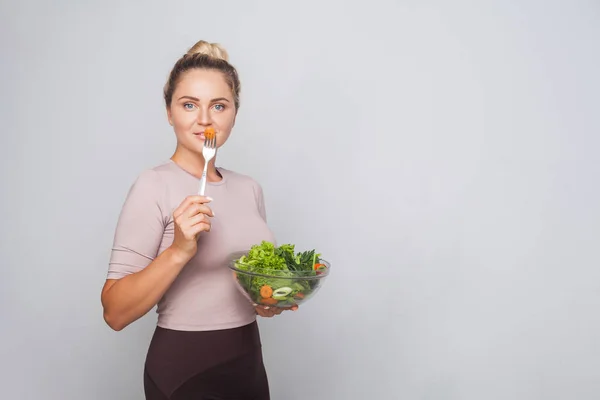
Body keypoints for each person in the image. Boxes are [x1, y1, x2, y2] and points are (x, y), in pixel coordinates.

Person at [100, 40, 293, 400]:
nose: (204, 119)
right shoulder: (153, 184)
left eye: (218, 106)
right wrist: (178, 250)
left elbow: (242, 286)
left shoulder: (250, 189)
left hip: (248, 362)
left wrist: (266, 300)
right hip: (183, 371)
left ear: (234, 113)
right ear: (170, 112)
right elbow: (114, 312)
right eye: (189, 104)